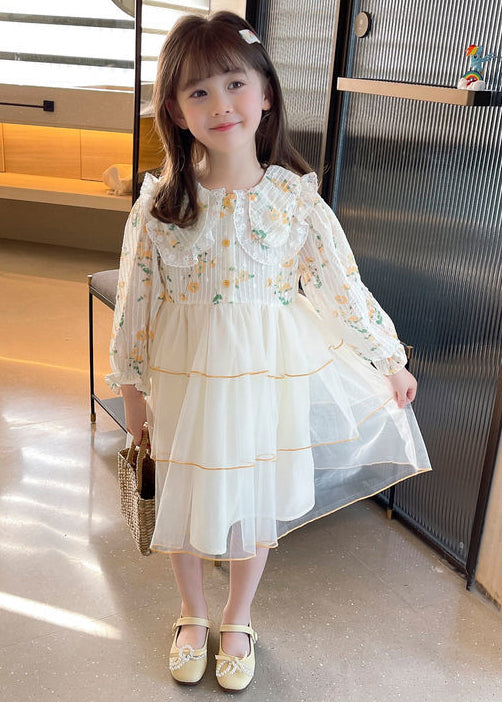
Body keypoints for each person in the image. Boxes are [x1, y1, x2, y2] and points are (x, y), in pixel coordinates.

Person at [107, 11, 431, 691]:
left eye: (234, 84)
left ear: (266, 94)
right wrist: (132, 395)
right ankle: (192, 614)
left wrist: (387, 358)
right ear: (175, 110)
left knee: (252, 503)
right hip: (184, 380)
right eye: (199, 92)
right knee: (188, 497)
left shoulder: (293, 199)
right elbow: (135, 306)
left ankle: (239, 617)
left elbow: (341, 286)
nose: (220, 104)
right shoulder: (161, 204)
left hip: (264, 382)